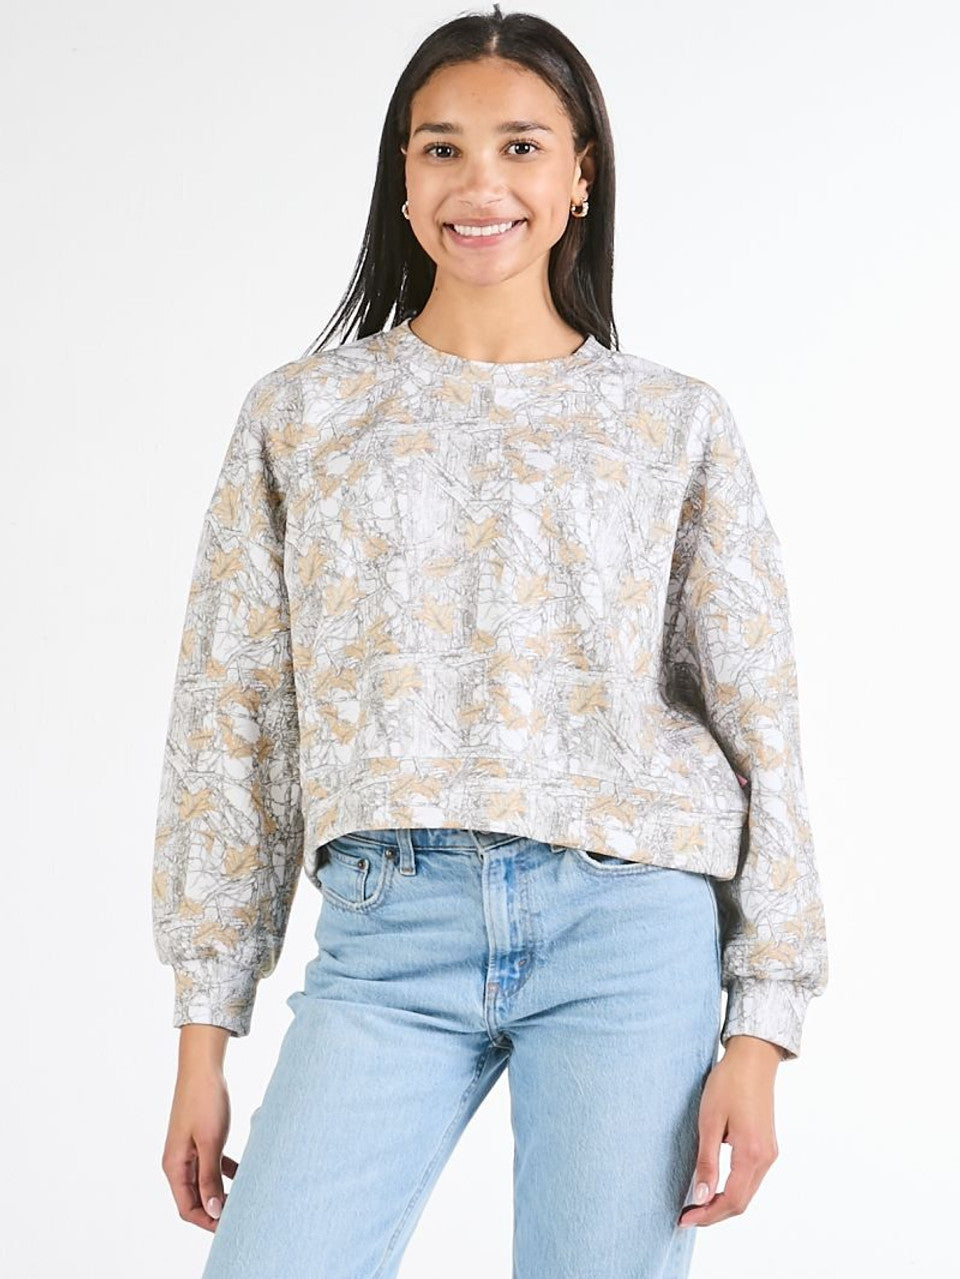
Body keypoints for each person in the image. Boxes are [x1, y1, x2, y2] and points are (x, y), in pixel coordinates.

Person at [153, 6, 828, 1276]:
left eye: (521, 146)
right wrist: (205, 1033)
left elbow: (761, 727)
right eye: (441, 148)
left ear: (581, 177)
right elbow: (231, 721)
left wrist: (761, 1030)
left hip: (628, 928)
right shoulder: (305, 415)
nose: (480, 184)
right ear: (403, 179)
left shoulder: (671, 423)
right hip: (386, 927)